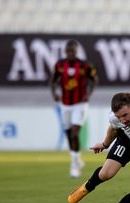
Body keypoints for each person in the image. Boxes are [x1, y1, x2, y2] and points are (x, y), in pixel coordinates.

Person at [49, 39, 99, 178]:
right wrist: (54, 94)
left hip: (79, 104)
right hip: (65, 104)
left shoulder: (85, 65)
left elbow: (94, 79)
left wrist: (88, 94)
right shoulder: (59, 65)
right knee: (68, 133)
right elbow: (52, 80)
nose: (70, 53)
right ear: (65, 52)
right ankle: (77, 161)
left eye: (73, 51)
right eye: (68, 51)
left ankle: (75, 164)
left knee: (75, 133)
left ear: (77, 51)